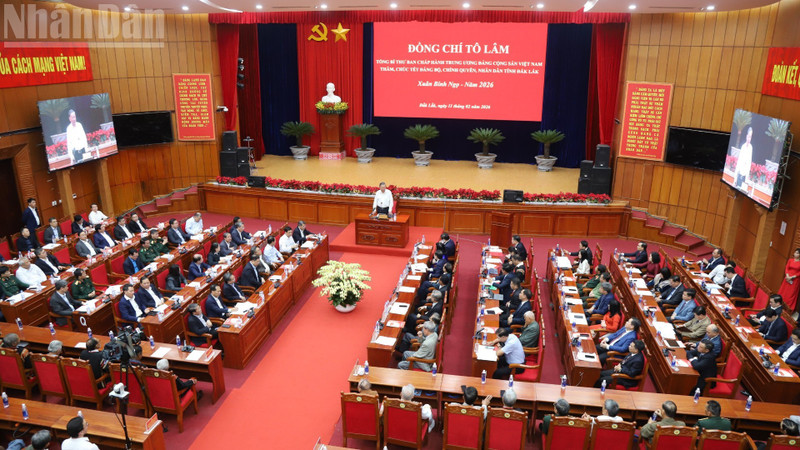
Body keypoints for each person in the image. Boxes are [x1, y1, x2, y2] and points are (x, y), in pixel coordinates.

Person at [778, 248, 800, 312]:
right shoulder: (790, 260)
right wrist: (787, 275)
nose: (795, 254)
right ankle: (778, 305)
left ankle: (788, 309)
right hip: (787, 278)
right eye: (795, 252)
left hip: (795, 280)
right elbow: (787, 268)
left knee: (791, 294)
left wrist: (793, 277)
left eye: (797, 253)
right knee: (783, 291)